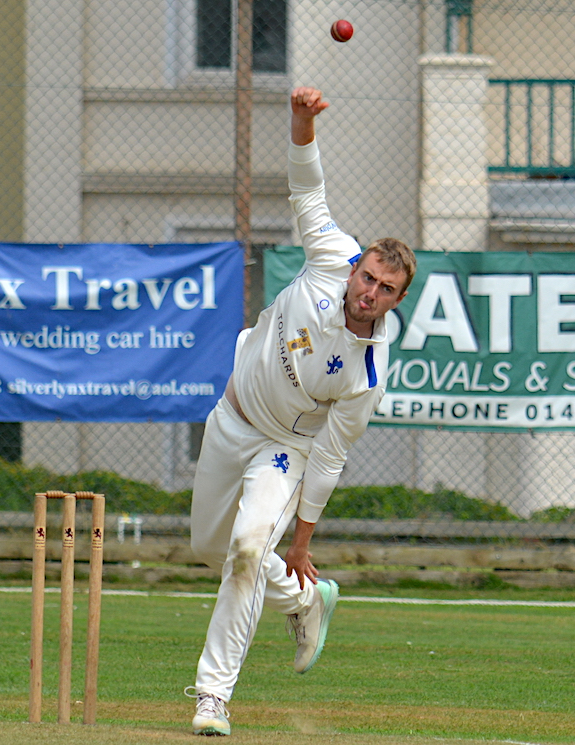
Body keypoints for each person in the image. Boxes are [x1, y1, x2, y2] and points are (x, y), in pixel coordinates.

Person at [186, 87, 416, 736]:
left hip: (283, 450)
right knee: (211, 549)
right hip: (231, 418)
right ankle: (306, 599)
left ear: (395, 301)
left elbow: (332, 456)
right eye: (368, 277)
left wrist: (302, 542)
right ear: (357, 266)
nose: (369, 293)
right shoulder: (330, 256)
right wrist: (300, 122)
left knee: (246, 550)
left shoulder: (367, 372)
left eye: (385, 290)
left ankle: (212, 697)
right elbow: (306, 189)